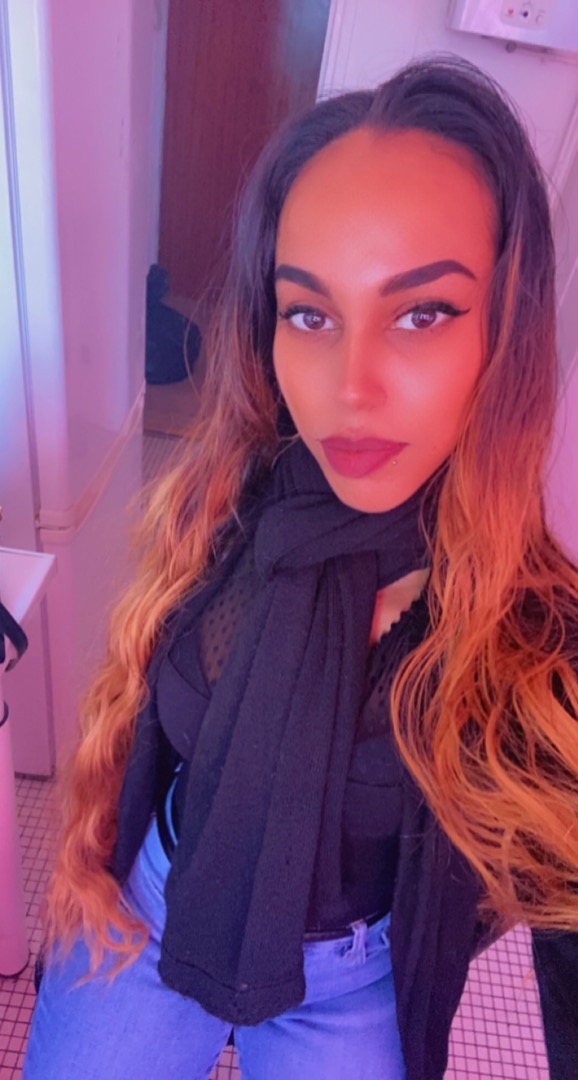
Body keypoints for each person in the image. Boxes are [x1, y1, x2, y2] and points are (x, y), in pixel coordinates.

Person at [24, 56, 578, 1080]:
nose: (348, 387)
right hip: (153, 904)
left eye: (422, 312)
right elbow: (144, 725)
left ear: (505, 326)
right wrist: (94, 860)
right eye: (309, 314)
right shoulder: (228, 501)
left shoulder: (535, 637)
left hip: (353, 983)